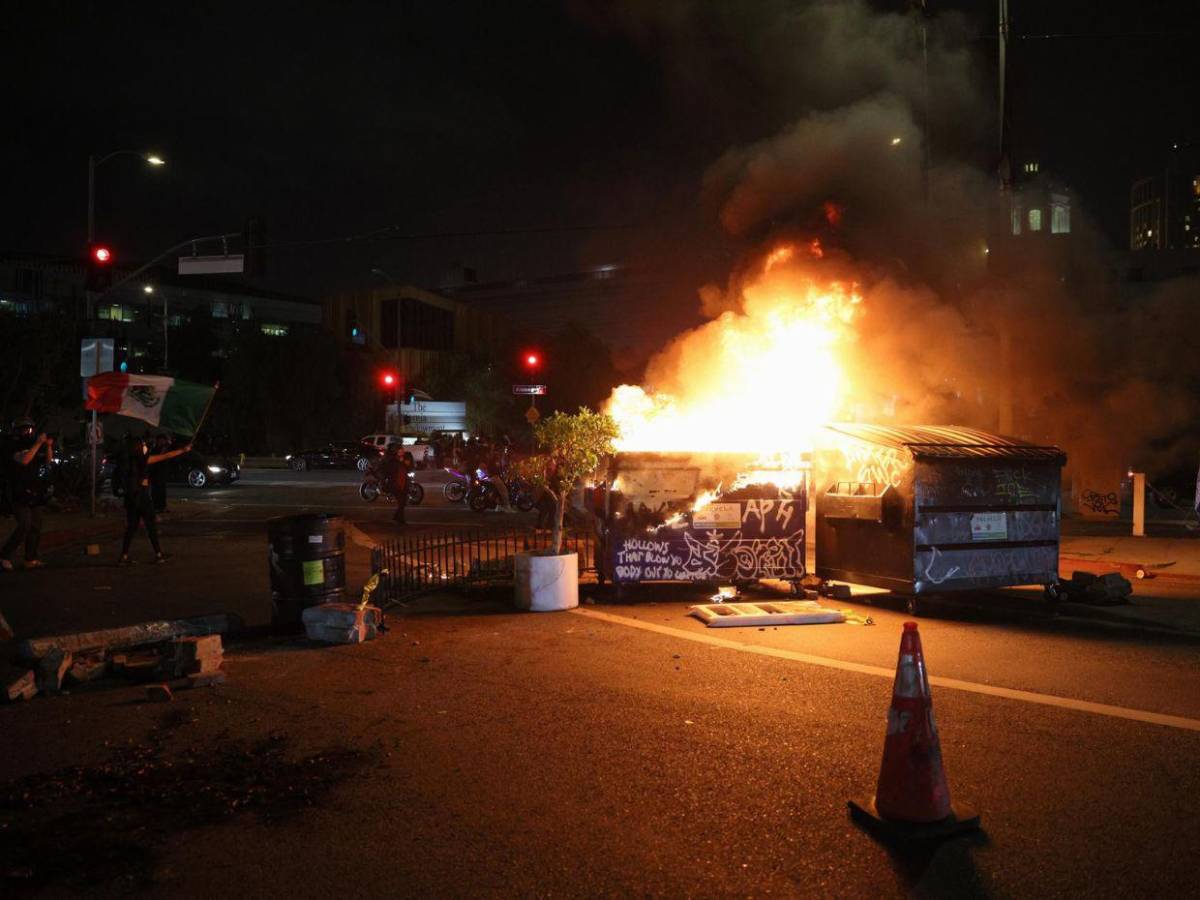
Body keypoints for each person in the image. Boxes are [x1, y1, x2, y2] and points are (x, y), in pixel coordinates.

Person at [118, 434, 191, 566]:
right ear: (139, 447)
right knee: (150, 526)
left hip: (131, 498)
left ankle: (123, 556)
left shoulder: (127, 461)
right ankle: (158, 555)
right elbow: (166, 456)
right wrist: (183, 450)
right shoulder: (144, 460)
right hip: (143, 497)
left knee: (131, 528)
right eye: (144, 444)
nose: (146, 446)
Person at [1, 419, 52, 572]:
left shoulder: (33, 445)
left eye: (30, 429)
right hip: (18, 491)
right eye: (25, 429)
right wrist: (37, 444)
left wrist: (48, 446)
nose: (28, 433)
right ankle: (4, 555)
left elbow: (47, 461)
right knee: (24, 524)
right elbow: (25, 460)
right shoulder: (13, 445)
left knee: (36, 526)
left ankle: (30, 558)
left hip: (34, 491)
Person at [149, 434, 172, 515]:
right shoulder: (154, 449)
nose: (162, 442)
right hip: (155, 473)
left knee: (162, 490)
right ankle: (156, 506)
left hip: (162, 473)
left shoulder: (165, 449)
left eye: (163, 440)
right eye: (161, 440)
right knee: (156, 490)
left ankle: (162, 506)